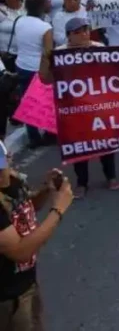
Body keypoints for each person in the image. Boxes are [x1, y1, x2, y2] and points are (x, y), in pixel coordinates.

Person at [38, 17, 119, 197]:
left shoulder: (99, 48)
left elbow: (112, 73)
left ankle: (111, 176)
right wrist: (45, 59)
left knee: (106, 141)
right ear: (69, 36)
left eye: (86, 29)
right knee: (78, 144)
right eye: (78, 31)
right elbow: (45, 79)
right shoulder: (59, 53)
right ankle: (82, 183)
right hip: (73, 108)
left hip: (98, 105)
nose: (84, 34)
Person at [0, 140, 74, 331]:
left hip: (27, 284)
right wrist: (58, 209)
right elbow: (20, 251)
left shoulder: (12, 180)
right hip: (7, 298)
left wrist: (47, 188)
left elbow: (26, 205)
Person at [13, 0, 52, 150]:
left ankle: (33, 138)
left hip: (21, 65)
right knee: (45, 103)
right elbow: (48, 52)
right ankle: (49, 134)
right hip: (38, 68)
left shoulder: (19, 21)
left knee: (27, 102)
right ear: (42, 8)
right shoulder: (45, 28)